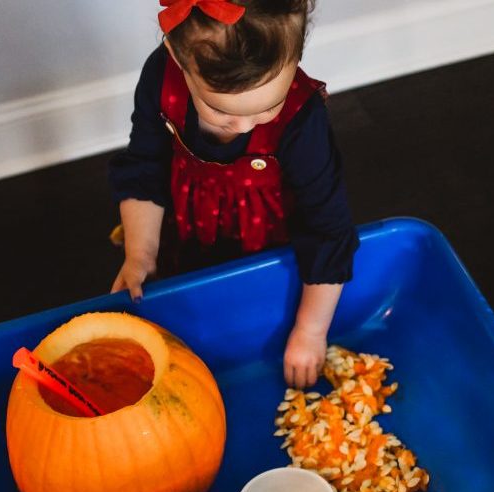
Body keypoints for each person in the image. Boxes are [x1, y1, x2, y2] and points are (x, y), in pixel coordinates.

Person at [108, 0, 359, 389]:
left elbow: (327, 228)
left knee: (257, 317)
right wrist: (140, 252)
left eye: (266, 109)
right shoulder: (160, 76)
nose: (243, 127)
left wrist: (310, 331)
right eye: (221, 111)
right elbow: (145, 168)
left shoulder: (302, 119)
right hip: (185, 226)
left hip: (273, 247)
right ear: (177, 56)